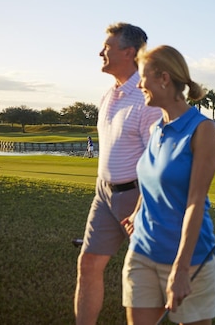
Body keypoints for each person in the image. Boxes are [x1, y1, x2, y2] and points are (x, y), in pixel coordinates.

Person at [122, 45, 215, 325]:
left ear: (164, 78)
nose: (139, 84)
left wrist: (181, 268)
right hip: (141, 252)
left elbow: (195, 200)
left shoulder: (202, 129)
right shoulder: (156, 128)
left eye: (143, 77)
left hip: (188, 262)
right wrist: (137, 212)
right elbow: (152, 178)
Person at [74, 23, 162, 325]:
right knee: (88, 264)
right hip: (104, 193)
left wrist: (142, 208)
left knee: (148, 277)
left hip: (137, 197)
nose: (101, 52)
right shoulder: (109, 94)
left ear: (128, 52)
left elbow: (159, 160)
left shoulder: (147, 97)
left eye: (107, 48)